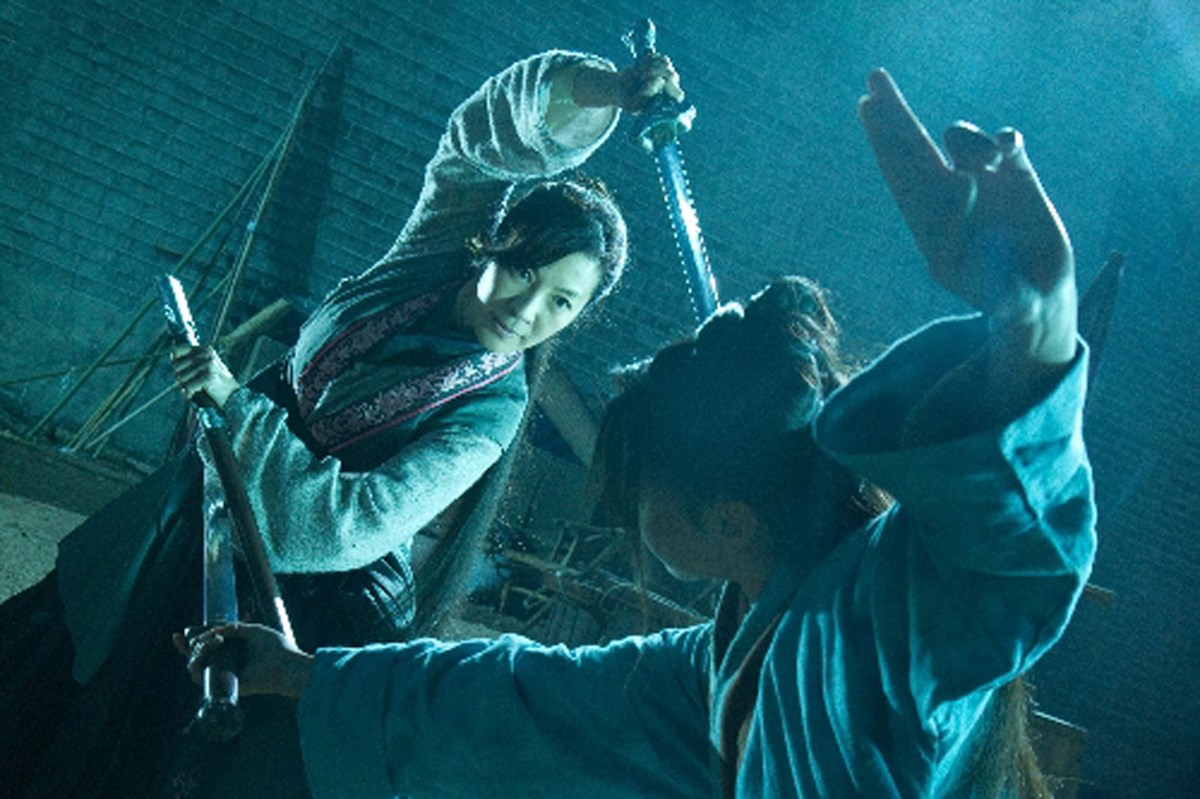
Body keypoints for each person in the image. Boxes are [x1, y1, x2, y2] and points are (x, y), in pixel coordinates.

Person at [181, 66, 1096, 798]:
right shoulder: (725, 654)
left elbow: (1009, 543)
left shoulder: (893, 618)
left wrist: (1038, 317)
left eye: (640, 493)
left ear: (728, 519)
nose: (626, 516)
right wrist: (307, 676)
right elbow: (534, 697)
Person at [0, 49, 684, 798]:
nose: (526, 311)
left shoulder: (492, 410)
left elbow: (351, 525)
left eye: (561, 303)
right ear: (490, 244)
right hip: (215, 515)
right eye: (523, 271)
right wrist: (609, 90)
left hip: (316, 592)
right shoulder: (432, 251)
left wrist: (236, 406)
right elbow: (480, 134)